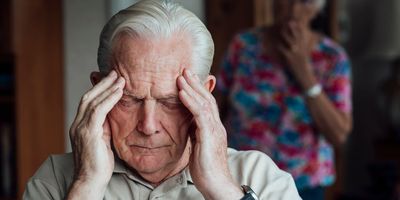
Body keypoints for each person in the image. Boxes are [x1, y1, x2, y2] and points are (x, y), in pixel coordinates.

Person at [23, 0, 301, 199]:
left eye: (170, 102)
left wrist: (221, 189)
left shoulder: (260, 177)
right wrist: (86, 185)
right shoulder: (55, 180)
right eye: (129, 100)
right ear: (98, 90)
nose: (148, 126)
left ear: (205, 94)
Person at [217, 0, 352, 199]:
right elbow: (216, 105)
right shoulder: (243, 45)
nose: (294, 10)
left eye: (305, 2)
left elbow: (339, 133)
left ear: (317, 9)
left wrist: (304, 73)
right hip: (242, 175)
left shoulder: (331, 57)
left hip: (304, 183)